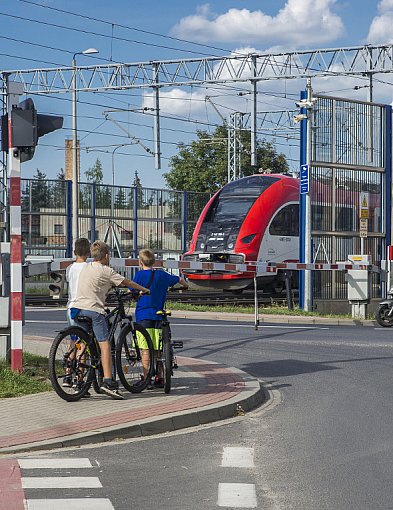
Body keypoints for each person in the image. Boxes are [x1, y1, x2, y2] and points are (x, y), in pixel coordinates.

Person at [72, 240, 150, 400]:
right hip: (93, 309)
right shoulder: (107, 271)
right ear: (106, 256)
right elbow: (126, 282)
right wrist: (144, 289)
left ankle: (78, 379)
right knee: (105, 344)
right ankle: (108, 381)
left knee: (85, 342)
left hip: (76, 309)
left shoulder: (86, 266)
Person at [133, 248, 188, 388]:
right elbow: (180, 280)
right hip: (158, 316)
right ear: (154, 261)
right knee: (157, 349)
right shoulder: (162, 275)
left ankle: (146, 378)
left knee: (145, 349)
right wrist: (185, 286)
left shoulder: (139, 276)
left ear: (140, 262)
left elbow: (130, 291)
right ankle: (160, 376)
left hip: (143, 316)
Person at [62, 237, 91, 392]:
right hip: (83, 307)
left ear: (74, 252)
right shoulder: (89, 267)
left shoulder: (70, 268)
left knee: (73, 341)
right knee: (84, 344)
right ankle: (80, 381)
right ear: (88, 252)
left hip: (70, 307)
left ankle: (67, 376)